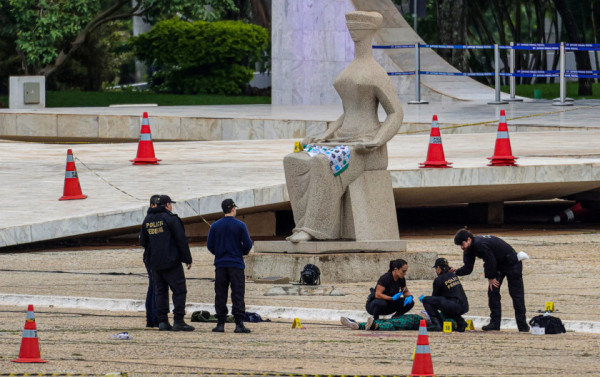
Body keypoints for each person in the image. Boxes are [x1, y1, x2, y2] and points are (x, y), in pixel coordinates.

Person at [283, 11, 403, 242]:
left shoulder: (377, 73)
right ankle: (303, 224)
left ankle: (317, 229)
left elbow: (396, 113)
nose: (353, 30)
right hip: (341, 142)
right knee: (294, 161)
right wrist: (325, 134)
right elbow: (348, 112)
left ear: (369, 30)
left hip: (365, 148)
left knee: (321, 163)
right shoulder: (350, 69)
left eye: (358, 26)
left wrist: (378, 140)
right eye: (351, 26)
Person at [452, 229, 529, 332]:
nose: (462, 247)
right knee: (493, 293)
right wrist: (455, 272)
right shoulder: (468, 249)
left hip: (512, 263)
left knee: (516, 294)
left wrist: (491, 277)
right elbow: (468, 268)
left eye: (462, 244)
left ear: (469, 239)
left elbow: (490, 260)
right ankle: (495, 324)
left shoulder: (479, 244)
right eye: (460, 245)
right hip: (498, 265)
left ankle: (522, 326)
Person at [139, 195, 194, 332]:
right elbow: (181, 240)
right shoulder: (171, 219)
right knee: (179, 290)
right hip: (171, 261)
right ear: (167, 205)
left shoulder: (147, 220)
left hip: (155, 262)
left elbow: (143, 241)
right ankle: (178, 320)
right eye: (170, 204)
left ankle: (163, 321)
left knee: (160, 291)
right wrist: (187, 258)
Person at [207, 198, 253, 334]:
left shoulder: (215, 226)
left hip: (220, 265)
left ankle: (220, 324)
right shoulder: (240, 225)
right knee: (237, 294)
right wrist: (240, 252)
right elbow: (248, 244)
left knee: (220, 294)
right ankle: (239, 324)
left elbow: (210, 245)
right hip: (236, 264)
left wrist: (219, 253)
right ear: (233, 209)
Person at [421, 258, 469, 332]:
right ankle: (460, 322)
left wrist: (424, 301)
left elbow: (434, 298)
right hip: (464, 306)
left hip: (454, 305)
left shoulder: (438, 280)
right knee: (446, 305)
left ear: (438, 268)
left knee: (427, 300)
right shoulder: (453, 275)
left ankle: (437, 324)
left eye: (436, 268)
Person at [365, 259, 414, 323]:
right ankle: (375, 319)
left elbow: (405, 291)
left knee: (410, 303)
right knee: (381, 303)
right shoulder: (385, 278)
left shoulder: (401, 279)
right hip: (375, 306)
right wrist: (391, 298)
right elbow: (378, 294)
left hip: (389, 305)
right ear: (396, 269)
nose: (405, 274)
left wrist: (410, 296)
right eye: (403, 271)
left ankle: (396, 317)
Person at [142, 194, 160, 328]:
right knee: (155, 287)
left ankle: (151, 318)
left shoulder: (147, 219)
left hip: (149, 256)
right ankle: (154, 318)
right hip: (152, 257)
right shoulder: (152, 219)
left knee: (152, 287)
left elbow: (142, 240)